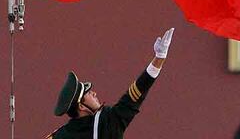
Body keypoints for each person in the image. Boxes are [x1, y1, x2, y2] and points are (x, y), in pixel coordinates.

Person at [46, 27, 175, 139]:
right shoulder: (105, 123)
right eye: (88, 93)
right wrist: (160, 57)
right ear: (81, 106)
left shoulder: (61, 134)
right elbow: (134, 95)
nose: (94, 93)